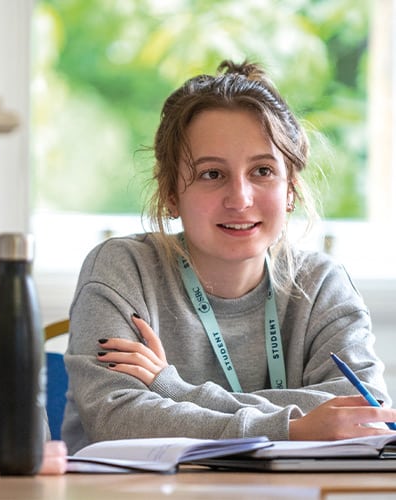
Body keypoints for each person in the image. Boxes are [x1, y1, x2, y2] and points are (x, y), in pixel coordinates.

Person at [62, 60, 396, 454]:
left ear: (290, 190)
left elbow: (366, 415)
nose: (240, 199)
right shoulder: (123, 269)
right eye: (211, 174)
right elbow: (116, 420)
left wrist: (174, 390)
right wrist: (295, 427)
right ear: (171, 193)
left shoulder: (323, 283)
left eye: (263, 171)